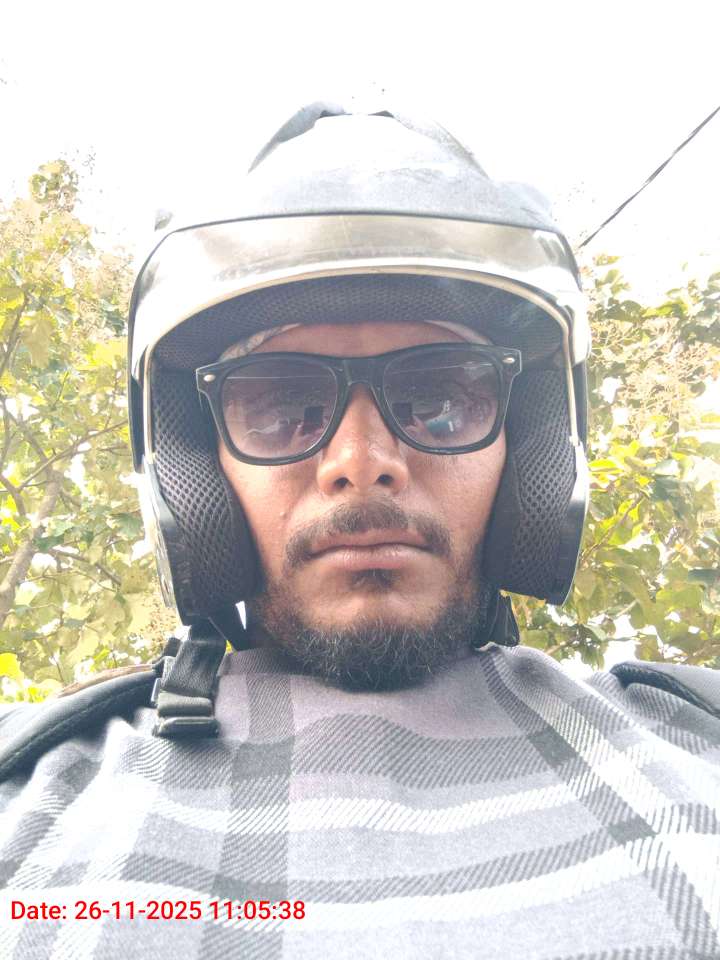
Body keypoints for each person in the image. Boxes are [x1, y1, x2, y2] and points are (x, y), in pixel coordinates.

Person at [1, 103, 718, 959]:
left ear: (527, 451)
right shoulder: (33, 790)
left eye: (442, 398)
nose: (362, 461)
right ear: (197, 472)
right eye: (281, 404)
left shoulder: (694, 733)